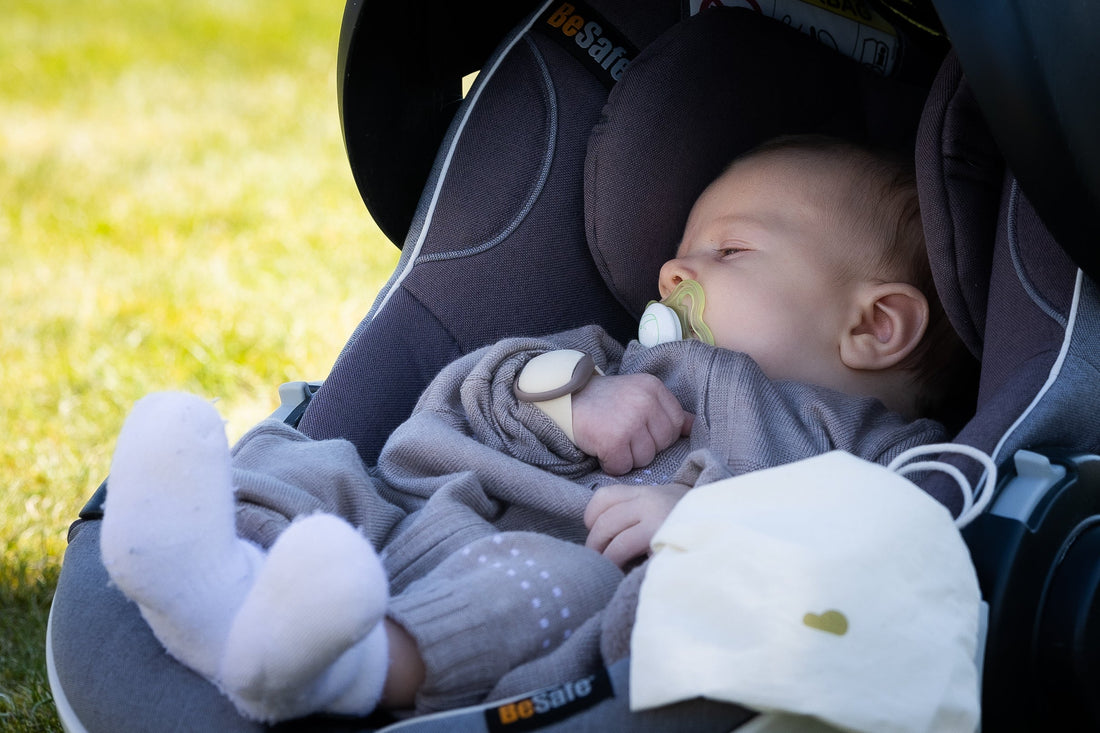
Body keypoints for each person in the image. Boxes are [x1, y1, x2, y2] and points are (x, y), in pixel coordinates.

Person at [100, 135, 978, 724]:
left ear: (876, 326)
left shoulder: (872, 458)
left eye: (730, 251)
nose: (675, 268)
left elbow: (860, 568)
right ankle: (215, 567)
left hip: (545, 594)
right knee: (321, 457)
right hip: (418, 513)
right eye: (681, 252)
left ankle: (345, 663)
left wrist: (701, 529)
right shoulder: (615, 357)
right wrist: (571, 397)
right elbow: (477, 390)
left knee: (551, 578)